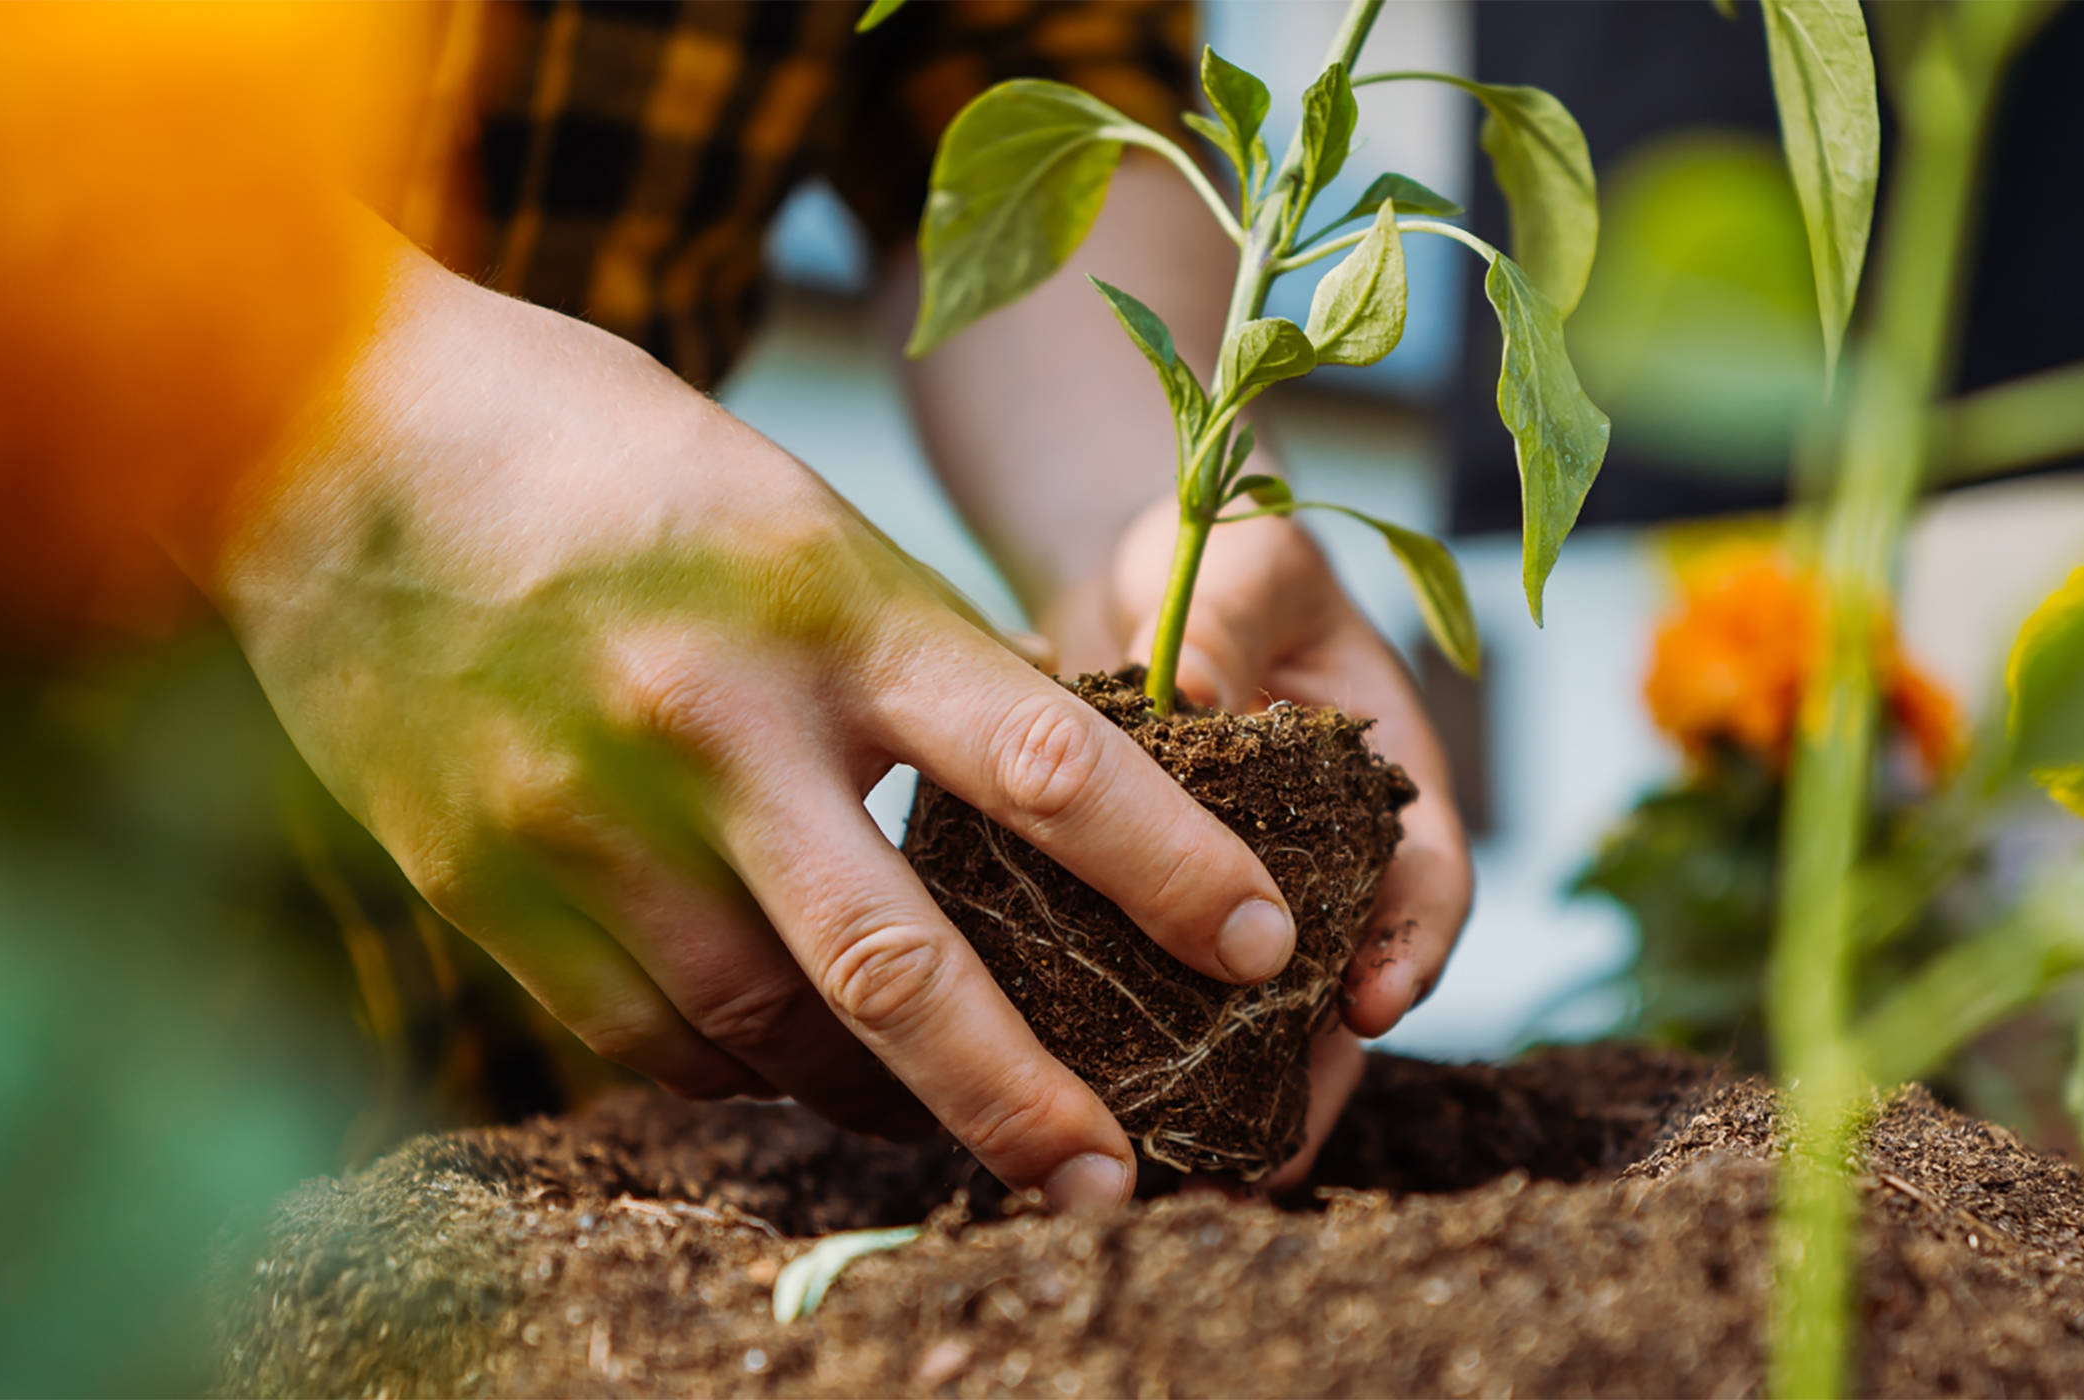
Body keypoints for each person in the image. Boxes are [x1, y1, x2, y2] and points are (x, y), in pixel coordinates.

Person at [230, 0, 1470, 1207]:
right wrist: (311, 419)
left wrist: (1143, 522)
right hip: (67, 844)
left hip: (569, 996)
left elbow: (1024, 81)